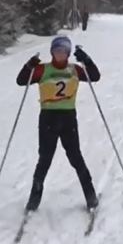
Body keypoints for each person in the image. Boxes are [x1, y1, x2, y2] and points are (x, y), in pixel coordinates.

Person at [16, 36, 101, 211]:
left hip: (68, 118)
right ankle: (34, 200)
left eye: (63, 51)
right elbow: (21, 80)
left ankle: (91, 197)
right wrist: (28, 65)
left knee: (75, 157)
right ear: (52, 52)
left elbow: (95, 76)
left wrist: (86, 59)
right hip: (48, 118)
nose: (59, 54)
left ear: (68, 53)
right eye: (56, 51)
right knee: (45, 159)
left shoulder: (75, 69)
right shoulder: (42, 70)